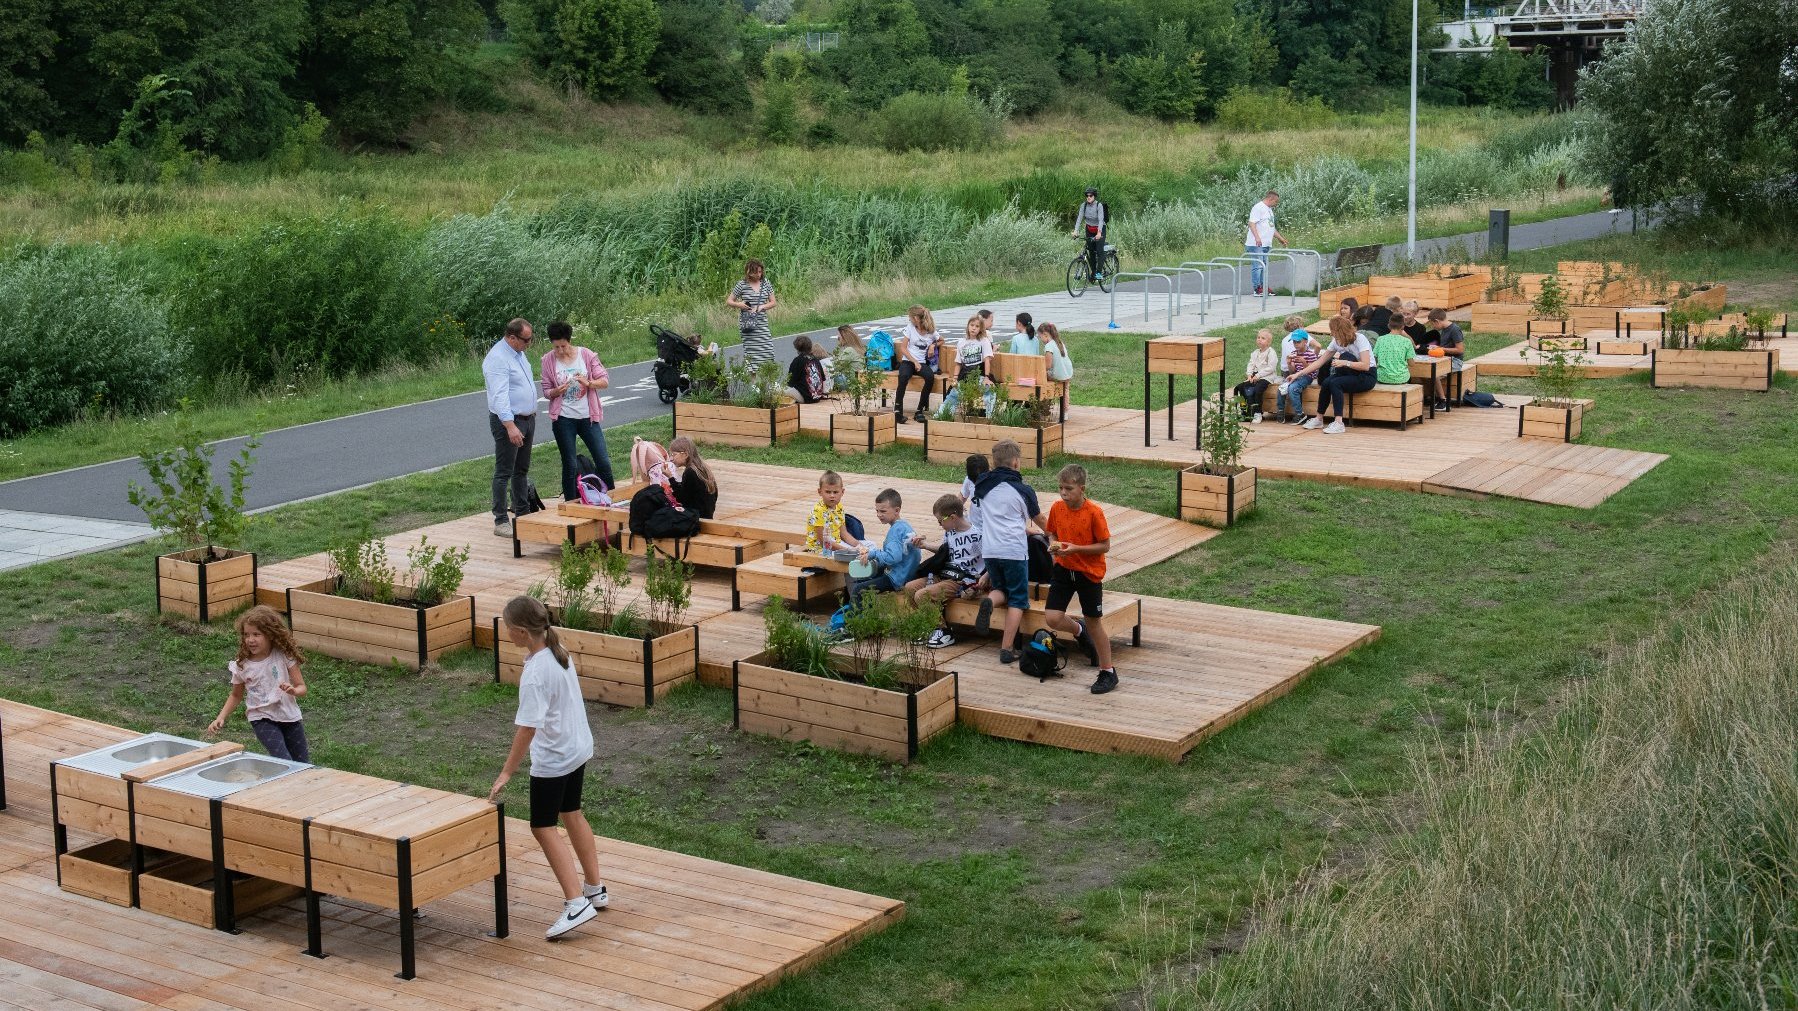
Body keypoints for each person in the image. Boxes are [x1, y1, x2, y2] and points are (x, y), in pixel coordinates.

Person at [488, 595, 608, 941]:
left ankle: (576, 903)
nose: (506, 633)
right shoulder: (558, 650)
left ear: (522, 632)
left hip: (555, 759)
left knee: (543, 826)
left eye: (508, 628)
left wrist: (507, 772)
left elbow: (528, 728)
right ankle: (594, 889)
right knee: (571, 811)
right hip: (577, 748)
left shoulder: (536, 673)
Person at [1043, 464, 1117, 694]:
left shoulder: (1094, 513)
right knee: (1052, 618)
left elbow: (1105, 545)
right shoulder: (1057, 507)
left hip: (1088, 573)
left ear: (1081, 488)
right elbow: (1051, 531)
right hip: (1064, 569)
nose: (1063, 493)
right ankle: (1078, 630)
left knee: (1094, 622)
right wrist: (1053, 546)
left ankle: (1108, 672)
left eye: (1068, 489)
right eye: (1060, 488)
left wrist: (1076, 549)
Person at [972, 439, 1044, 665]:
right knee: (1018, 599)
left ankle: (990, 603)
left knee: (1001, 588)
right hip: (1013, 549)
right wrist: (1054, 533)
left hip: (990, 549)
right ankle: (1007, 649)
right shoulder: (1022, 489)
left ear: (994, 463)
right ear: (1016, 462)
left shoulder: (982, 487)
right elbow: (1039, 519)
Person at [205, 605, 309, 761]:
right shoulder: (242, 665)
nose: (250, 640)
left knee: (303, 763)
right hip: (261, 717)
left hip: (289, 716)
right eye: (246, 635)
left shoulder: (283, 656)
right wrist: (221, 717)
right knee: (284, 760)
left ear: (270, 635)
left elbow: (302, 687)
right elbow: (235, 695)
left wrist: (294, 690)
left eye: (256, 634)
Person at [906, 493, 1003, 649]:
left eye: (940, 521)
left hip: (962, 580)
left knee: (922, 595)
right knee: (911, 588)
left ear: (952, 517)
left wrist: (985, 577)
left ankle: (943, 630)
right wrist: (925, 545)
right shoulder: (950, 532)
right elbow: (945, 550)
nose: (939, 525)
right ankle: (927, 626)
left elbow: (993, 558)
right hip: (946, 574)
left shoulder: (977, 535)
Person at [540, 322, 615, 505]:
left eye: (563, 346)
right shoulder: (548, 360)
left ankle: (613, 497)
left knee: (602, 460)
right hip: (564, 419)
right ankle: (571, 503)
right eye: (556, 347)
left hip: (587, 417)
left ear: (569, 341)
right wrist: (558, 391)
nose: (560, 350)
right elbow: (546, 391)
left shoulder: (586, 355)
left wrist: (588, 383)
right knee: (570, 464)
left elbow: (604, 380)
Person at [484, 318, 539, 537]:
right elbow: (499, 396)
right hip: (510, 421)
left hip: (527, 418)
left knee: (521, 469)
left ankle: (523, 513)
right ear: (512, 337)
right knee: (504, 471)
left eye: (531, 338)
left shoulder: (519, 353)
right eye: (526, 340)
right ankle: (500, 520)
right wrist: (509, 426)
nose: (529, 343)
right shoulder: (498, 359)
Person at [1300, 316, 1376, 435]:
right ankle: (1319, 419)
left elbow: (1366, 365)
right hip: (1350, 373)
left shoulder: (1360, 339)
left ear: (1340, 330)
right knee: (1326, 382)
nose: (1331, 333)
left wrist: (1345, 363)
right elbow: (1320, 362)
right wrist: (1298, 374)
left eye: (1333, 330)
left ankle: (1339, 423)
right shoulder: (1336, 341)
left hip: (1367, 375)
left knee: (1336, 382)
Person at [849, 489, 920, 599]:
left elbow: (893, 557)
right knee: (867, 578)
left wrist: (873, 554)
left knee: (858, 589)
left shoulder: (895, 531)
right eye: (877, 511)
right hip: (907, 573)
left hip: (897, 578)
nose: (879, 515)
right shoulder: (905, 526)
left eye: (883, 511)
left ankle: (855, 616)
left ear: (897, 510)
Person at [726, 260, 778, 367]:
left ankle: (767, 379)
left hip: (762, 323)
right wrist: (740, 304)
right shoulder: (742, 284)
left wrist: (762, 306)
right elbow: (729, 301)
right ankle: (753, 382)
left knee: (768, 350)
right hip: (748, 324)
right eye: (756, 272)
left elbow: (773, 302)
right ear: (749, 272)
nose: (759, 275)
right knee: (751, 355)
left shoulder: (766, 283)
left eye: (760, 272)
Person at [894, 305, 940, 423]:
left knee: (930, 377)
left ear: (916, 318)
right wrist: (914, 362)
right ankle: (898, 411)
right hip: (908, 361)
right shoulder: (910, 328)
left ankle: (919, 411)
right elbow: (903, 348)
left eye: (910, 317)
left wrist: (932, 345)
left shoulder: (931, 331)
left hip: (921, 362)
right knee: (903, 376)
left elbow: (941, 340)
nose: (909, 319)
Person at [1277, 316, 1322, 425]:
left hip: (1307, 376)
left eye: (1298, 342)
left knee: (1293, 388)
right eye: (1294, 342)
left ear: (1305, 342)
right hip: (1296, 375)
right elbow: (1292, 371)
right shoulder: (1294, 353)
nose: (1295, 344)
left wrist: (1303, 362)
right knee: (1281, 388)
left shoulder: (1310, 354)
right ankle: (1280, 410)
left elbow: (1312, 371)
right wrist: (1289, 363)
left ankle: (1299, 413)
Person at [805, 470, 862, 552]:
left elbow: (844, 534)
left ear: (842, 492)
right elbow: (823, 542)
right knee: (855, 556)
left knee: (870, 545)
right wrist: (848, 550)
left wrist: (859, 545)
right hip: (822, 550)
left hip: (837, 544)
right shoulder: (818, 510)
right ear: (820, 492)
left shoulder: (839, 507)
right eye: (828, 492)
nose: (832, 496)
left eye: (835, 492)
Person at [1423, 308, 1467, 410]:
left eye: (1432, 324)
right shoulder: (1444, 330)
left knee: (1434, 372)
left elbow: (1460, 350)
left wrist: (1442, 349)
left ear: (1437, 321)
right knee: (1425, 371)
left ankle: (1443, 400)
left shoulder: (1454, 329)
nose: (1433, 327)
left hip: (1455, 361)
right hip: (1444, 359)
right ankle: (1434, 398)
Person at [1245, 190, 1288, 296]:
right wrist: (1257, 238)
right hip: (1256, 244)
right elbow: (1252, 223)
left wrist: (1280, 238)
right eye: (1276, 202)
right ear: (1270, 199)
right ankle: (1257, 288)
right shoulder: (1258, 207)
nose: (1276, 204)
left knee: (1264, 266)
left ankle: (1263, 287)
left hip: (1266, 244)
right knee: (1258, 266)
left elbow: (1271, 227)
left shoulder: (1269, 210)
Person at [1234, 329, 1280, 423]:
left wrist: (1258, 375)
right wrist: (1249, 375)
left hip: (1267, 377)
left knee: (1257, 390)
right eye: (1258, 337)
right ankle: (1244, 411)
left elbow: (1271, 368)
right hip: (1255, 376)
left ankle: (1258, 413)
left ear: (1268, 342)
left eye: (1263, 338)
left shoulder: (1271, 353)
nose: (1259, 339)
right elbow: (1251, 364)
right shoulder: (1255, 352)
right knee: (1241, 387)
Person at [667, 436, 719, 519]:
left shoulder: (690, 472)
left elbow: (681, 499)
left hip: (697, 518)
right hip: (707, 515)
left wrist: (670, 478)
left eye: (674, 454)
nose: (671, 459)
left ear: (685, 454)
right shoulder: (702, 467)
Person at [1071, 187, 1108, 280]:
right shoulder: (1083, 206)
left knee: (1099, 251)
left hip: (1100, 228)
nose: (1088, 197)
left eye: (1090, 196)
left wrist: (1099, 233)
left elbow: (1100, 220)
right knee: (1090, 251)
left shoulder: (1098, 205)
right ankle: (1093, 272)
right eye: (1087, 196)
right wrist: (1076, 230)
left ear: (1094, 196)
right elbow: (1079, 219)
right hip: (1089, 229)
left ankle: (1099, 273)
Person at [1374, 313, 1416, 387]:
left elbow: (1375, 359)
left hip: (1382, 378)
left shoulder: (1380, 339)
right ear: (1403, 326)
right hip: (1401, 378)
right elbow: (1412, 364)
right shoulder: (1407, 341)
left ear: (1389, 325)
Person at [786, 335, 829, 404]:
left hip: (807, 398)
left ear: (797, 348)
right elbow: (823, 379)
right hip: (817, 396)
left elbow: (790, 381)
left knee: (778, 389)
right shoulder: (815, 359)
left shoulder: (797, 360)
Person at [954, 316, 994, 381]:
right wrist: (955, 378)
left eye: (977, 326)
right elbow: (958, 363)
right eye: (972, 325)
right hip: (965, 373)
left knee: (985, 388)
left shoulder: (984, 341)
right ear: (968, 326)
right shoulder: (961, 342)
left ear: (980, 329)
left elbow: (987, 360)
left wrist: (987, 377)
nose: (974, 328)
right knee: (954, 391)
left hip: (980, 372)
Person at [963, 453, 989, 530]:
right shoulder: (968, 479)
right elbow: (961, 497)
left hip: (990, 529)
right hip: (974, 527)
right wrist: (958, 507)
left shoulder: (995, 485)